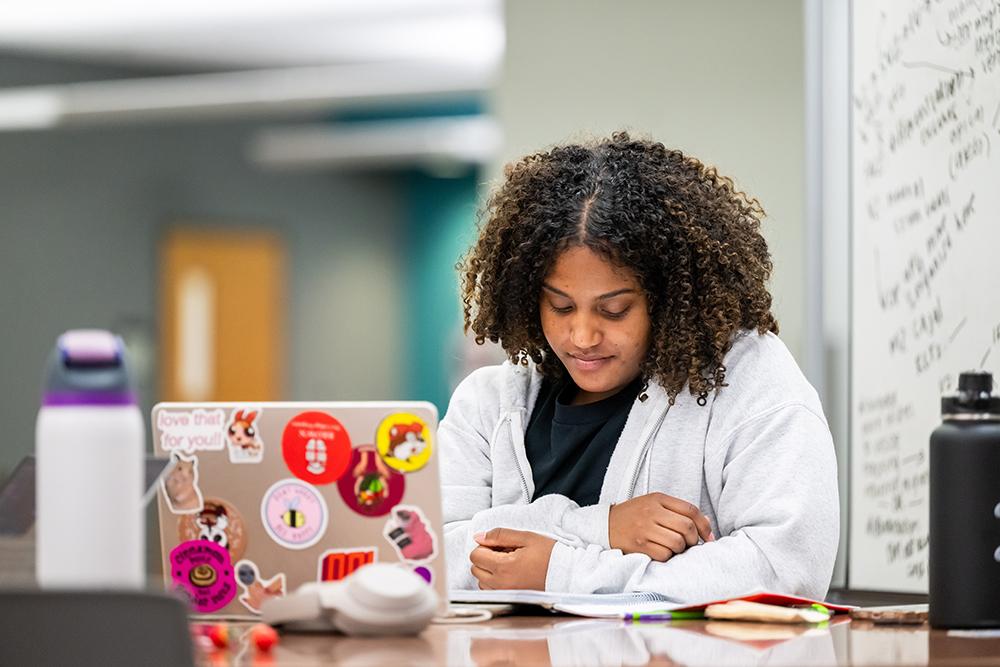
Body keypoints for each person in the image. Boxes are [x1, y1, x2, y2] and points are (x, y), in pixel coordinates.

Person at [439, 132, 839, 601]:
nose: (583, 336)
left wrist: (561, 572)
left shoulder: (748, 381)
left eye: (614, 310)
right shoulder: (488, 406)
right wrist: (603, 527)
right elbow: (426, 557)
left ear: (668, 299)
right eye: (561, 307)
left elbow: (783, 570)